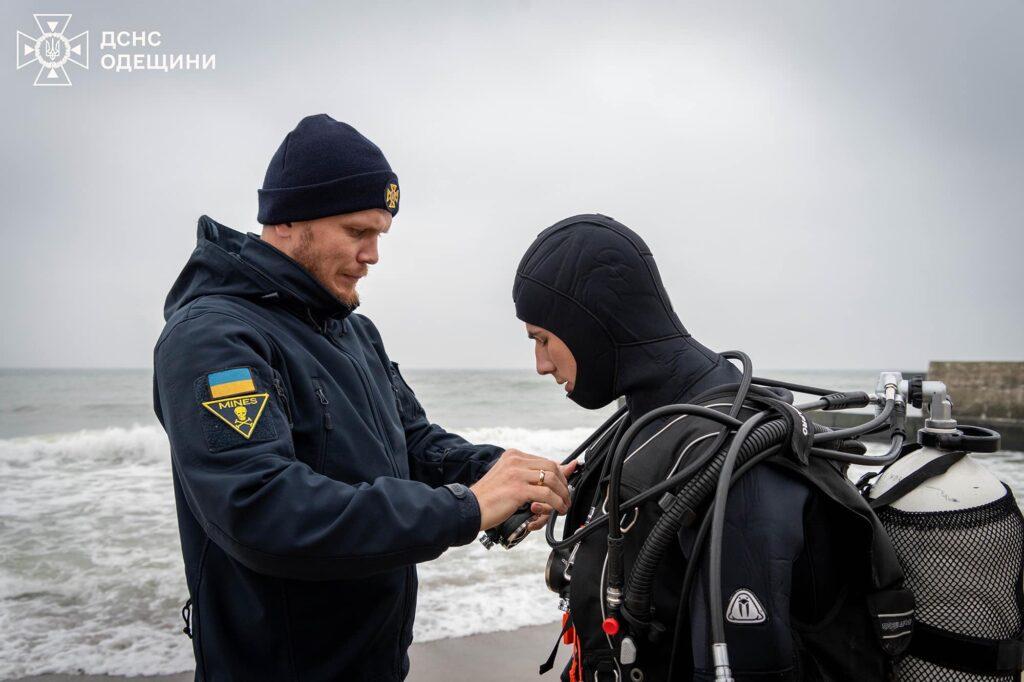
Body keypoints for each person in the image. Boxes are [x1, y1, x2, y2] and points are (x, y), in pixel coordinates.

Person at [152, 114, 571, 681]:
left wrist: (506, 475)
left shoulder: (352, 331)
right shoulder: (215, 338)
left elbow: (415, 444)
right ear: (289, 219)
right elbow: (261, 508)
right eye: (357, 232)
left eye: (379, 235)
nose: (373, 255)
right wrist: (466, 509)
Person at [512, 214, 911, 681]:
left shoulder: (736, 465)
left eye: (542, 339)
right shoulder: (650, 420)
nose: (539, 364)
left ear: (592, 326)